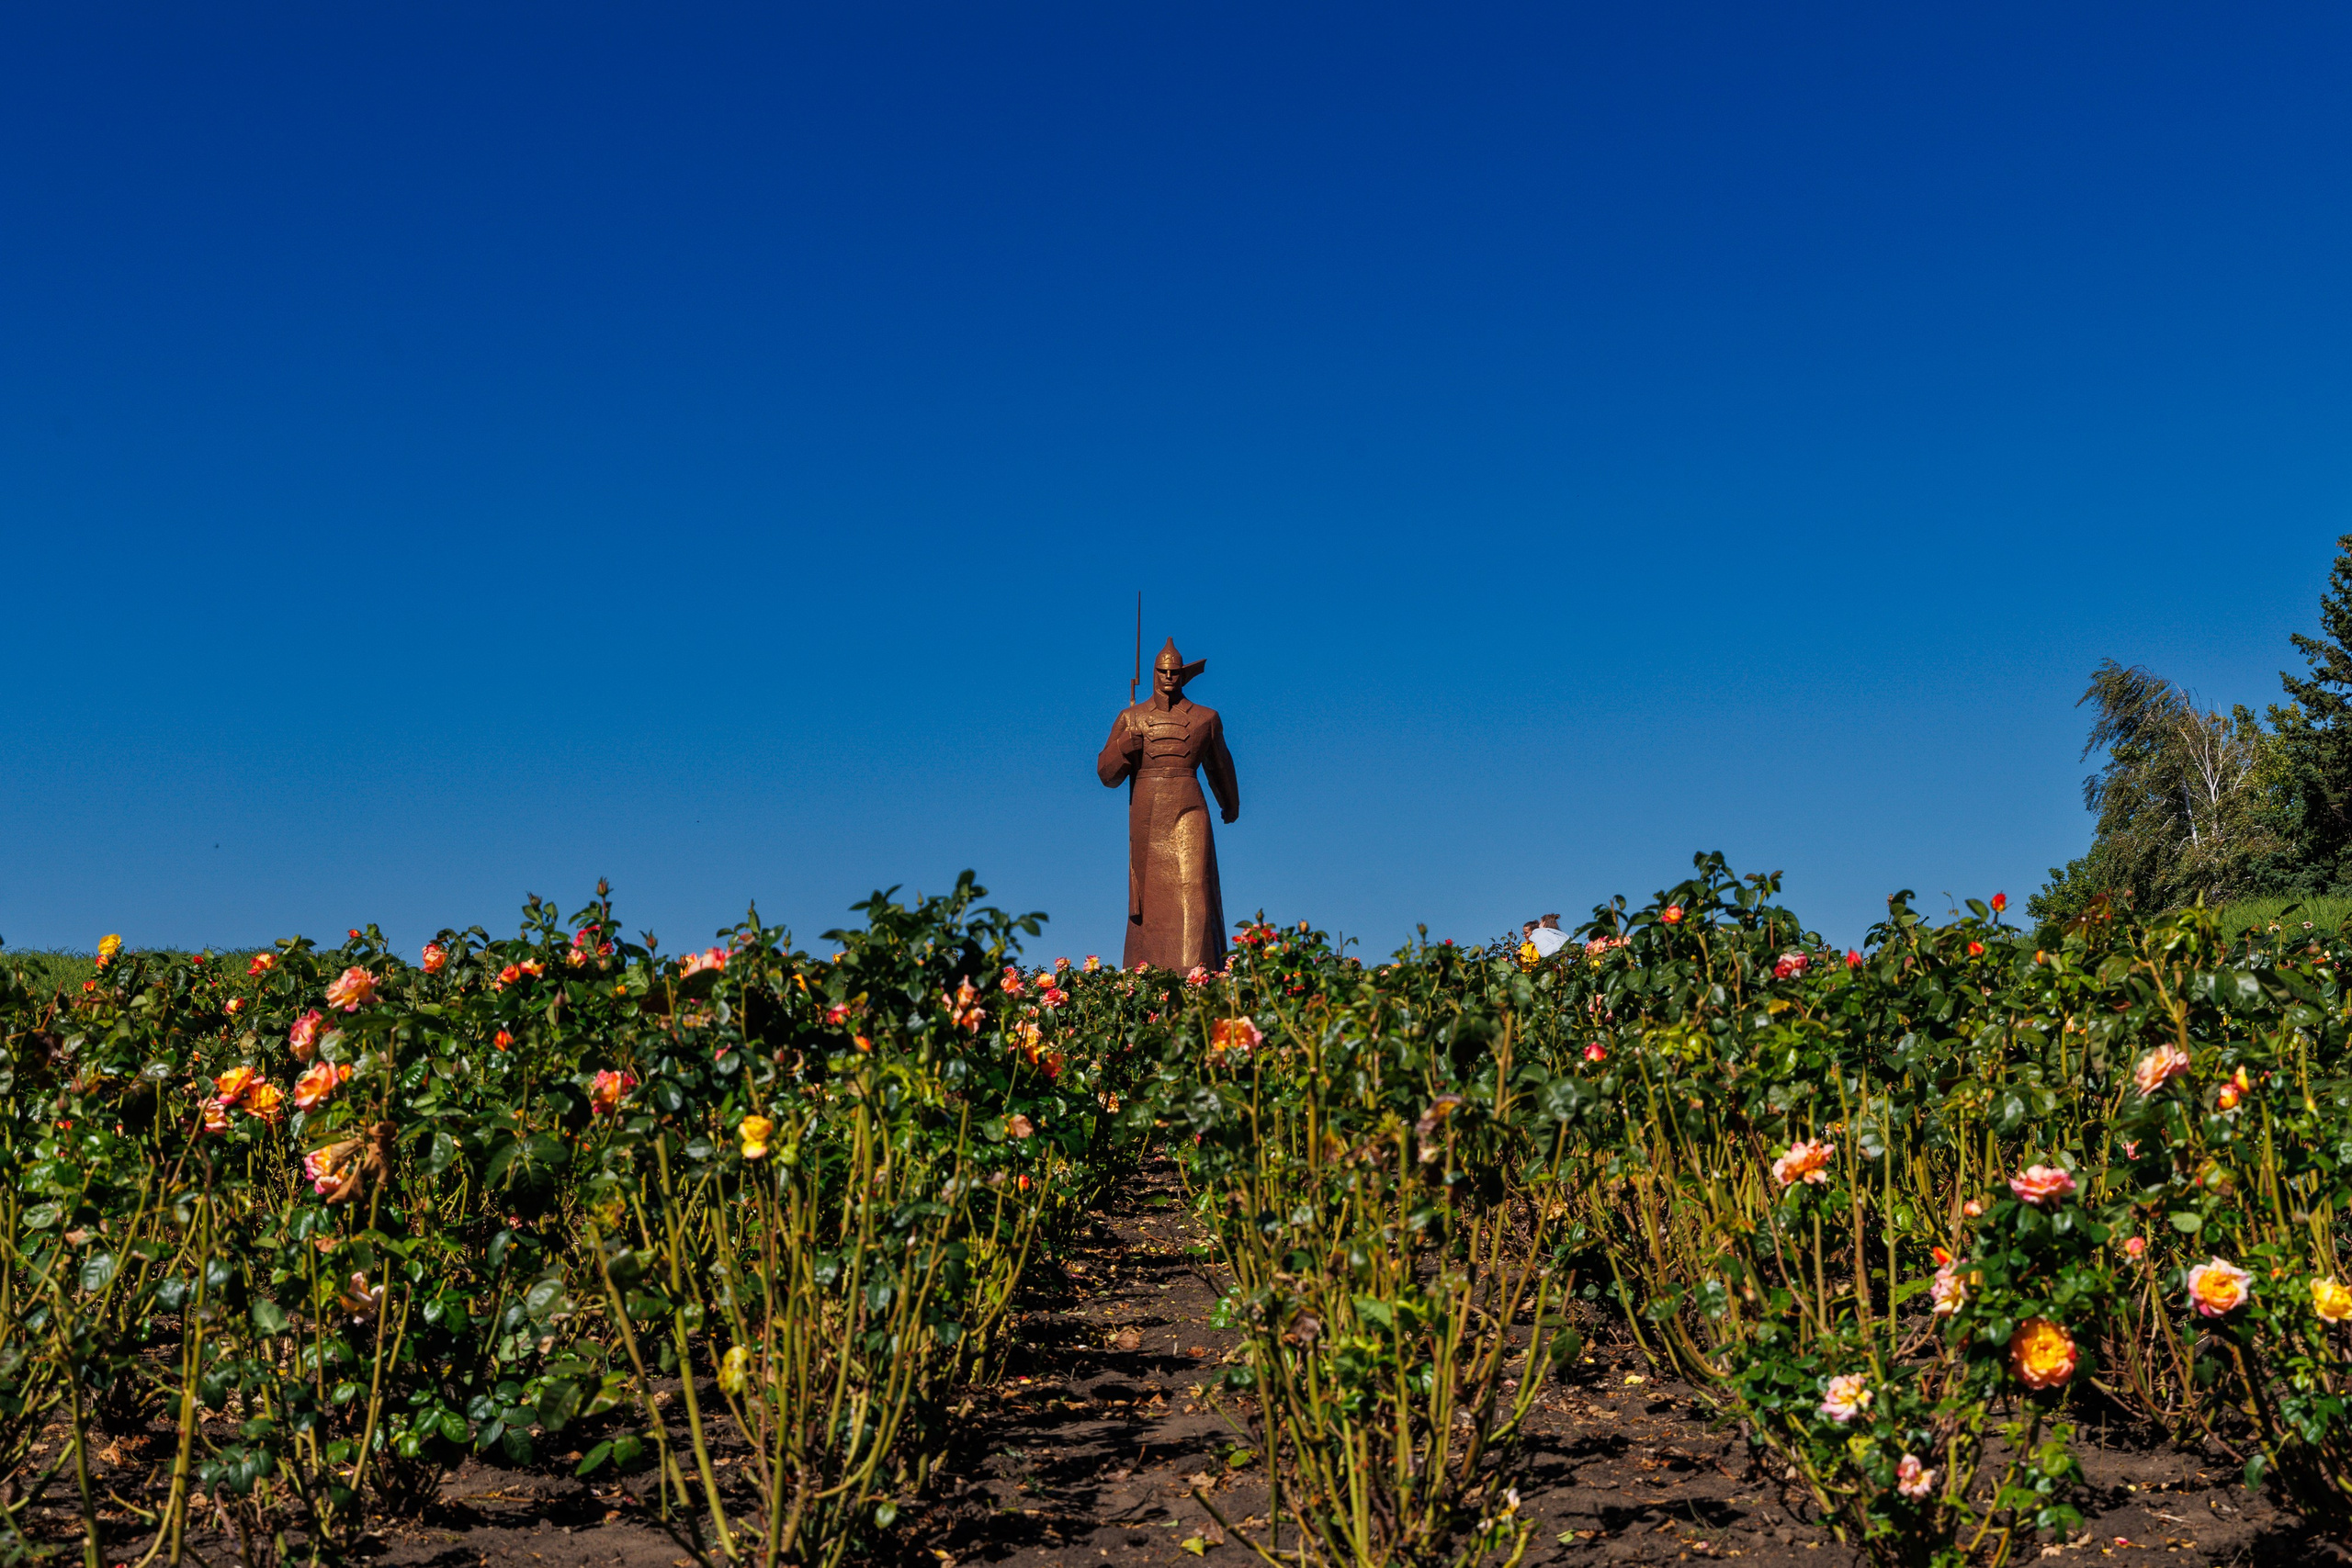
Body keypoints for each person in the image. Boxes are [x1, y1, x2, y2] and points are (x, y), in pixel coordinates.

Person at [1097, 638, 1240, 972]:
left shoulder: (1206, 718)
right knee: (1152, 900)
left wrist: (1230, 803)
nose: (1168, 677)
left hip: (1188, 802)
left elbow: (1221, 765)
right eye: (1162, 671)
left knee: (1195, 889)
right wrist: (1122, 747)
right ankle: (1151, 975)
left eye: (1174, 672)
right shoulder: (1131, 717)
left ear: (1183, 674)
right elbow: (1107, 774)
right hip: (1147, 808)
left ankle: (1197, 974)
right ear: (1153, 673)